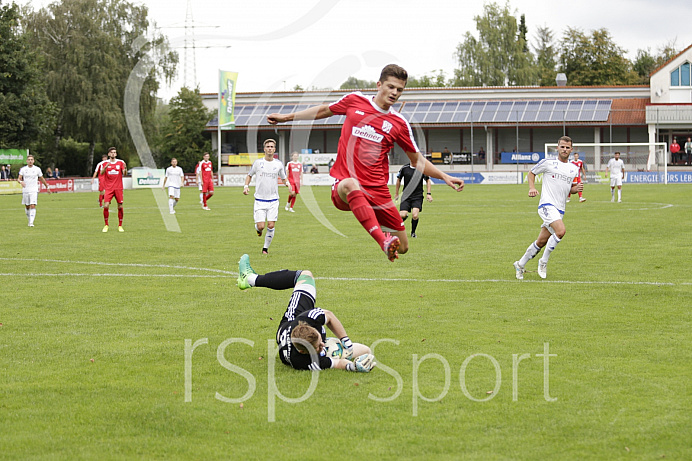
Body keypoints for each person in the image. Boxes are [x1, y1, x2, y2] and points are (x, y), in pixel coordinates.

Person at [267, 64, 464, 262]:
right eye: (390, 87)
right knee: (351, 183)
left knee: (403, 247)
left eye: (399, 90)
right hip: (345, 186)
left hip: (377, 190)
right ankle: (382, 242)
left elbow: (417, 160)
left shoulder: (399, 123)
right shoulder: (355, 100)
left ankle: (383, 233)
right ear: (379, 85)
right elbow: (325, 110)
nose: (394, 93)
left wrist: (445, 176)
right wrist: (287, 117)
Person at [236, 254, 376, 373]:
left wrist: (346, 341)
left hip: (289, 323)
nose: (323, 345)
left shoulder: (307, 318)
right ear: (304, 351)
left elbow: (330, 316)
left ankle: (249, 278)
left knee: (305, 275)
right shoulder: (305, 361)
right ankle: (249, 278)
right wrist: (352, 367)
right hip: (293, 342)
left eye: (321, 342)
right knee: (366, 351)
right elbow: (336, 364)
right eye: (319, 346)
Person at [513, 136, 582, 280]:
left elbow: (570, 189)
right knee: (561, 231)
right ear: (557, 148)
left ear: (571, 149)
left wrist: (576, 189)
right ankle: (543, 262)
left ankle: (520, 264)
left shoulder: (573, 169)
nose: (564, 149)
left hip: (560, 209)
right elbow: (531, 173)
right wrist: (532, 187)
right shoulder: (548, 163)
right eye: (562, 147)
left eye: (567, 147)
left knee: (541, 242)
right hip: (546, 205)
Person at [243, 139, 290, 255]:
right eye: (268, 146)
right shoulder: (258, 163)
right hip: (259, 200)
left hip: (273, 200)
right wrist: (246, 186)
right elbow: (249, 175)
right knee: (261, 226)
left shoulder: (278, 164)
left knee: (271, 224)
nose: (270, 148)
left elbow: (283, 178)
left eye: (272, 147)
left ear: (274, 149)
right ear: (264, 149)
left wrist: (288, 184)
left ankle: (265, 249)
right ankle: (258, 229)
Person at [394, 163, 432, 238]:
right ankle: (404, 217)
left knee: (415, 215)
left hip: (417, 196)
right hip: (406, 196)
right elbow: (399, 180)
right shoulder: (404, 168)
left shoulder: (422, 168)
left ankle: (413, 232)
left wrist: (428, 193)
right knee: (402, 215)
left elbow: (428, 180)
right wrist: (396, 193)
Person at [17, 154, 53, 227]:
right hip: (25, 190)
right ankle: (29, 219)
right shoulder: (23, 169)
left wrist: (47, 187)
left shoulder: (37, 169)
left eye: (31, 160)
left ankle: (31, 222)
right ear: (27, 161)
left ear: (33, 161)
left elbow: (42, 179)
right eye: (29, 160)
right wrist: (21, 182)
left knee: (33, 205)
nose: (30, 161)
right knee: (27, 206)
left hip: (34, 190)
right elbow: (18, 179)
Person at [99, 147, 126, 232]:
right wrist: (105, 167)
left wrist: (125, 169)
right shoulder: (104, 163)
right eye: (111, 152)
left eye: (114, 152)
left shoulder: (120, 162)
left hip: (118, 188)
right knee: (106, 205)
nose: (113, 154)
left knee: (120, 206)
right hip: (109, 188)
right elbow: (101, 173)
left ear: (116, 154)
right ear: (109, 154)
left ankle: (120, 225)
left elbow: (124, 173)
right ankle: (106, 225)